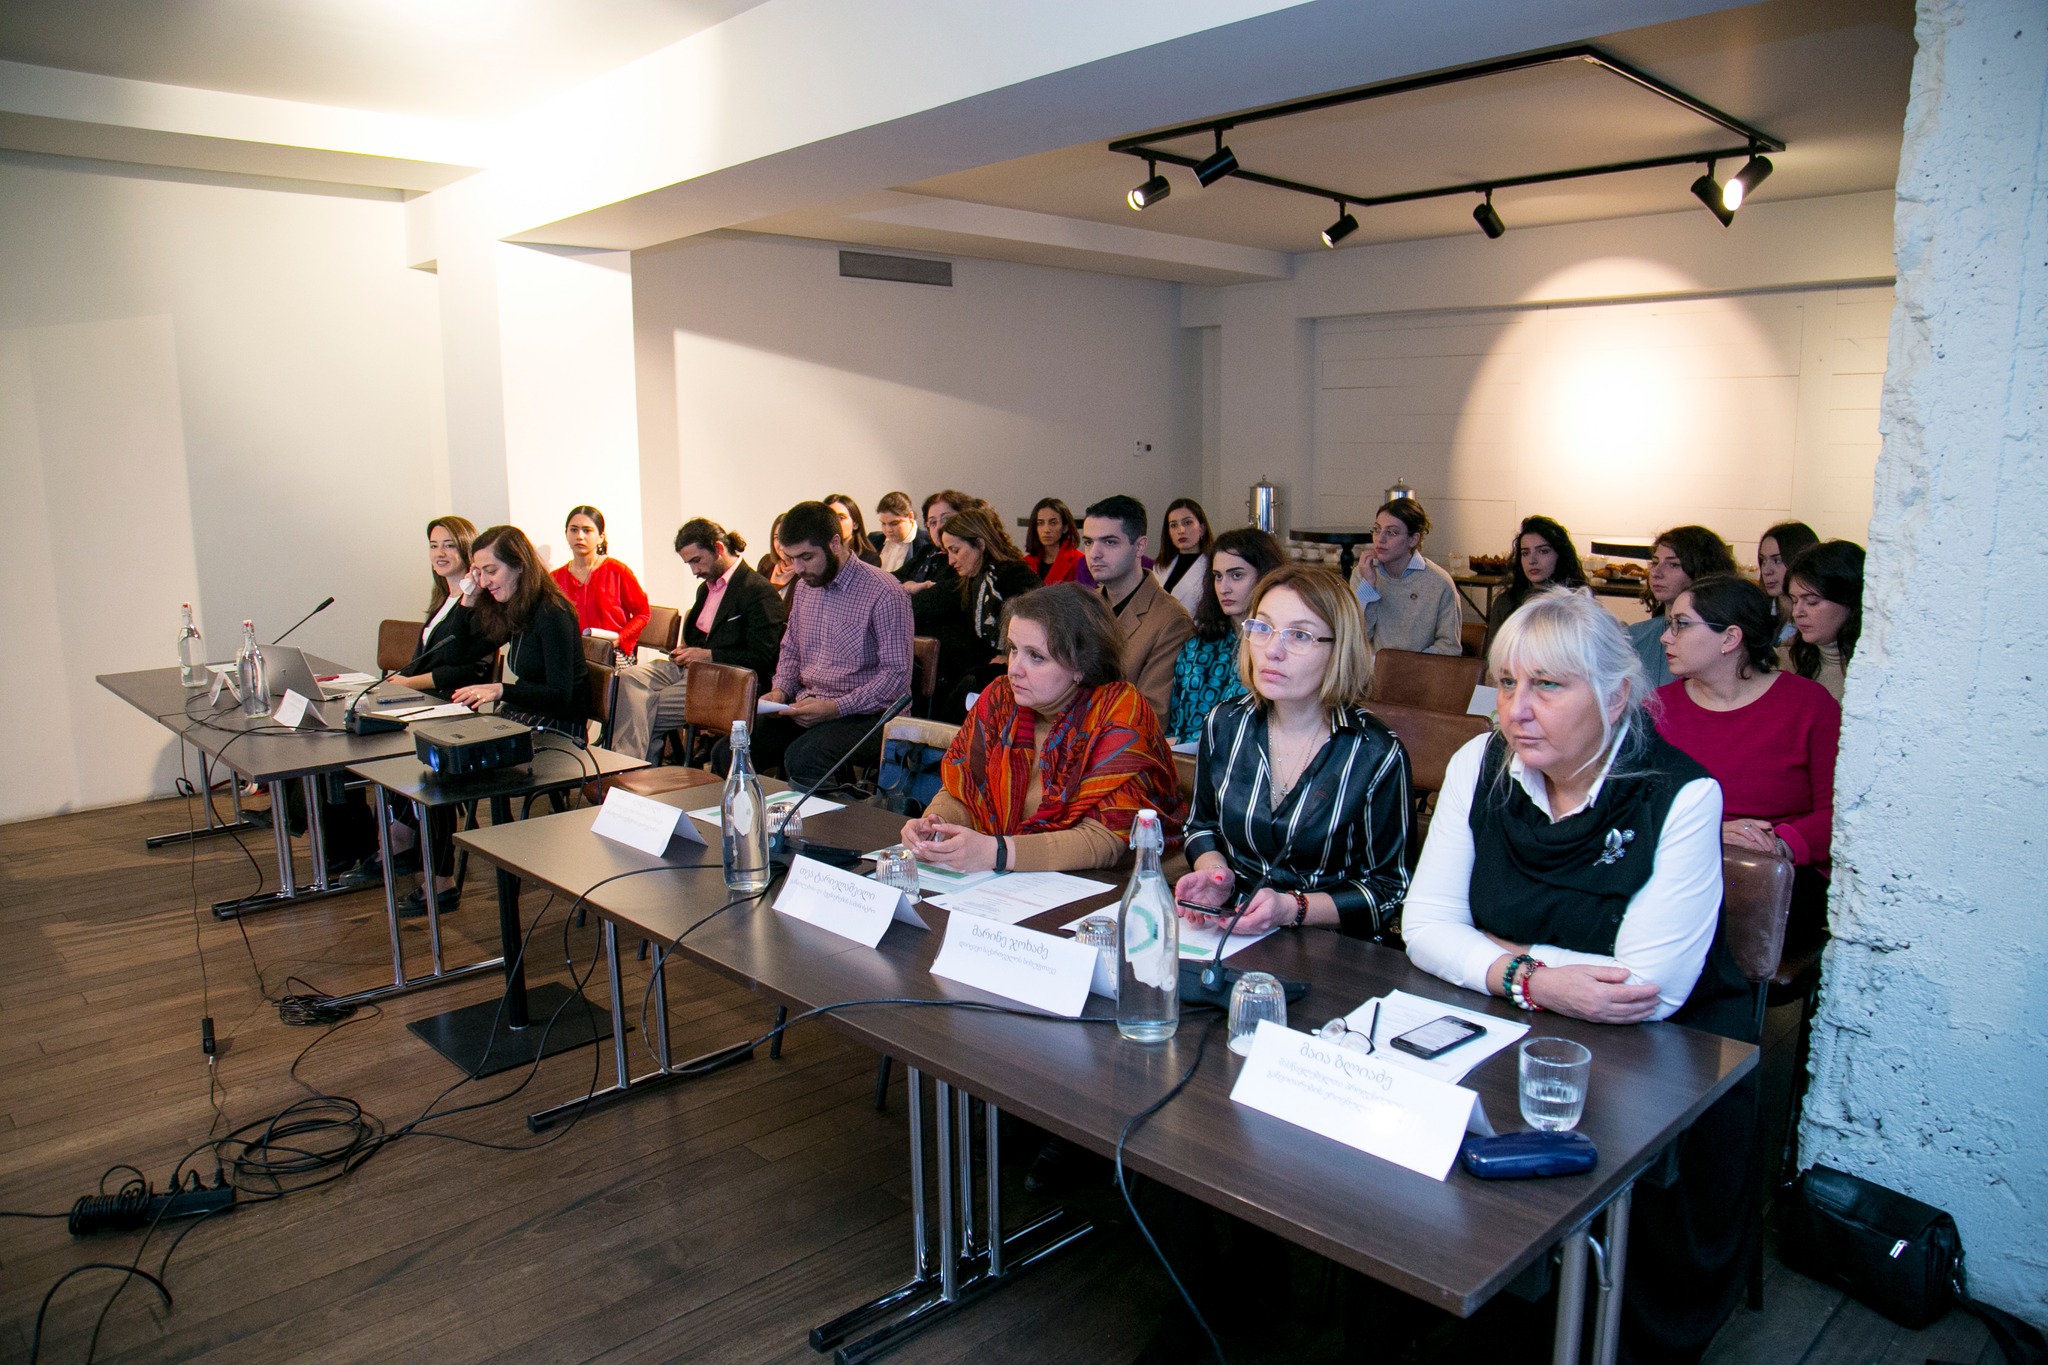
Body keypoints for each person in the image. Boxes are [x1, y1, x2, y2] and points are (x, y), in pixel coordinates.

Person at [1403, 585, 1751, 1365]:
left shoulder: (1682, 794)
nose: (1517, 710)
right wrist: (1534, 978)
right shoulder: (1478, 762)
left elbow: (1646, 988)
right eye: (1508, 683)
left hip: (1662, 1059)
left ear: (1617, 696)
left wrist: (1490, 948)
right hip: (1513, 1022)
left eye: (1548, 686)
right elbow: (1422, 926)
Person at [1173, 564, 1411, 940]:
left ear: (1339, 649)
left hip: (1329, 945)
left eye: (1299, 635)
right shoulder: (1226, 723)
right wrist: (1216, 874)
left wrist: (1291, 908)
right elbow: (1202, 826)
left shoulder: (1375, 753)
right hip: (1231, 929)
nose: (1273, 650)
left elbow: (1387, 890)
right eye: (1262, 628)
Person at [901, 584, 1184, 873]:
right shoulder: (1001, 699)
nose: (1014, 668)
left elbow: (1104, 841)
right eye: (1013, 649)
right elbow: (963, 790)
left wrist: (997, 852)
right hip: (1018, 879)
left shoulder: (1120, 711)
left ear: (1082, 665)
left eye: (1036, 656)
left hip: (1115, 883)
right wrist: (936, 824)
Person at [1656, 574, 1840, 918]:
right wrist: (1710, 834)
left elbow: (1839, 813)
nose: (1666, 637)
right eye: (1670, 625)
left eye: (1681, 624)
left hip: (1780, 877)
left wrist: (1776, 846)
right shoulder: (1656, 709)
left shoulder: (1810, 705)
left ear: (1730, 638)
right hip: (1682, 864)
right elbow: (1632, 807)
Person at [714, 501, 913, 786]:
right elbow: (791, 649)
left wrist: (835, 707)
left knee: (804, 758)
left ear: (834, 543)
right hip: (810, 705)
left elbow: (895, 678)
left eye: (806, 557)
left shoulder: (885, 591)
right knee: (729, 751)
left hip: (869, 714)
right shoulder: (806, 587)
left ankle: (829, 815)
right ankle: (753, 813)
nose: (798, 568)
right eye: (792, 558)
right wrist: (781, 690)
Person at [608, 519, 789, 764]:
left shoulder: (758, 591)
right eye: (689, 564)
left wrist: (708, 655)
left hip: (725, 680)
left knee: (639, 708)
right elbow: (697, 635)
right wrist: (687, 650)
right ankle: (634, 771)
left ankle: (627, 770)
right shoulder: (706, 588)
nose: (694, 571)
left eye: (697, 560)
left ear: (718, 548)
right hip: (692, 668)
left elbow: (762, 657)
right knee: (627, 678)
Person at [911, 505, 1043, 719]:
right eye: (948, 552)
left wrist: (1009, 654)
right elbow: (925, 603)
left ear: (980, 544)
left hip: (1017, 667)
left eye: (955, 550)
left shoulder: (1014, 575)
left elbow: (1040, 621)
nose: (951, 561)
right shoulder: (970, 581)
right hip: (982, 667)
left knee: (968, 684)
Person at [1163, 526, 1285, 742]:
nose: (1223, 588)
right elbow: (1175, 723)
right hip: (1182, 757)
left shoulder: (1276, 651)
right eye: (1217, 577)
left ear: (1266, 576)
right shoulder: (1196, 648)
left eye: (1236, 575)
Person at [1079, 494, 1192, 722]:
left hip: (1119, 738)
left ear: (1139, 546)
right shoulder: (1084, 606)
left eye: (1109, 542)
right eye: (1089, 542)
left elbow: (1151, 716)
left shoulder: (1171, 621)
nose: (1094, 554)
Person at [393, 515, 496, 694]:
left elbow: (473, 670)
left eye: (449, 546)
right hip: (419, 696)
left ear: (467, 550)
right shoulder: (442, 598)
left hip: (446, 700)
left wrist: (410, 683)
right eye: (434, 546)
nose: (439, 553)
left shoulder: (479, 603)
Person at [1625, 524, 1735, 691]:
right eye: (1655, 563)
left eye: (1673, 565)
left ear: (1701, 571)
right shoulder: (1633, 637)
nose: (1656, 573)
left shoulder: (1720, 639)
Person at [1353, 496, 1462, 655]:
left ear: (1413, 539)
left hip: (1419, 668)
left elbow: (1450, 646)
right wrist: (1368, 586)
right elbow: (1355, 638)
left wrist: (1408, 664)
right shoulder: (1363, 572)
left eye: (1391, 532)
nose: (1380, 539)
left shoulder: (1439, 582)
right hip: (1372, 668)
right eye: (1377, 529)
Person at [550, 505, 650, 656]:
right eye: (574, 530)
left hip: (612, 652)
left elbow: (643, 613)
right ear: (566, 534)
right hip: (571, 654)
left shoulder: (618, 571)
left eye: (587, 530)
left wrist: (619, 639)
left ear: (601, 537)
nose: (580, 536)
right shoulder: (554, 579)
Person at [1483, 515, 1587, 654]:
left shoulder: (1578, 605)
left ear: (1560, 555)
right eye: (1525, 553)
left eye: (1543, 551)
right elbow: (1492, 658)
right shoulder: (1505, 603)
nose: (1532, 560)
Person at [1784, 539, 1865, 701]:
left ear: (1848, 600)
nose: (1797, 612)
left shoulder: (1879, 671)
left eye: (1812, 602)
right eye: (1794, 600)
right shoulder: (1785, 662)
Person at [1756, 520, 1819, 645]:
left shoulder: (1818, 619)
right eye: (1763, 560)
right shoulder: (1757, 611)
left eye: (1777, 560)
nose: (1766, 571)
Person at [902, 490, 974, 595]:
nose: (939, 527)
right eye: (933, 522)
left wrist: (907, 589)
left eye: (946, 519)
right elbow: (893, 579)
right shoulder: (927, 551)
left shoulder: (963, 558)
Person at [1152, 498, 1213, 616]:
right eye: (1174, 525)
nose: (1181, 530)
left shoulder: (1212, 566)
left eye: (1187, 523)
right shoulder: (1160, 566)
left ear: (1202, 529)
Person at [1024, 496, 1088, 585]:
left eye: (1053, 523)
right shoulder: (1025, 563)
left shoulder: (1080, 561)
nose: (1046, 530)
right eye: (1040, 523)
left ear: (1065, 527)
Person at [872, 491, 933, 580]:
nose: (888, 530)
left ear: (910, 517)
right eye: (883, 524)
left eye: (894, 523)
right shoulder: (873, 540)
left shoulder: (929, 543)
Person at [825, 492, 883, 567]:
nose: (835, 523)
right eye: (830, 517)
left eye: (841, 518)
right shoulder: (819, 556)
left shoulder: (869, 559)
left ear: (855, 524)